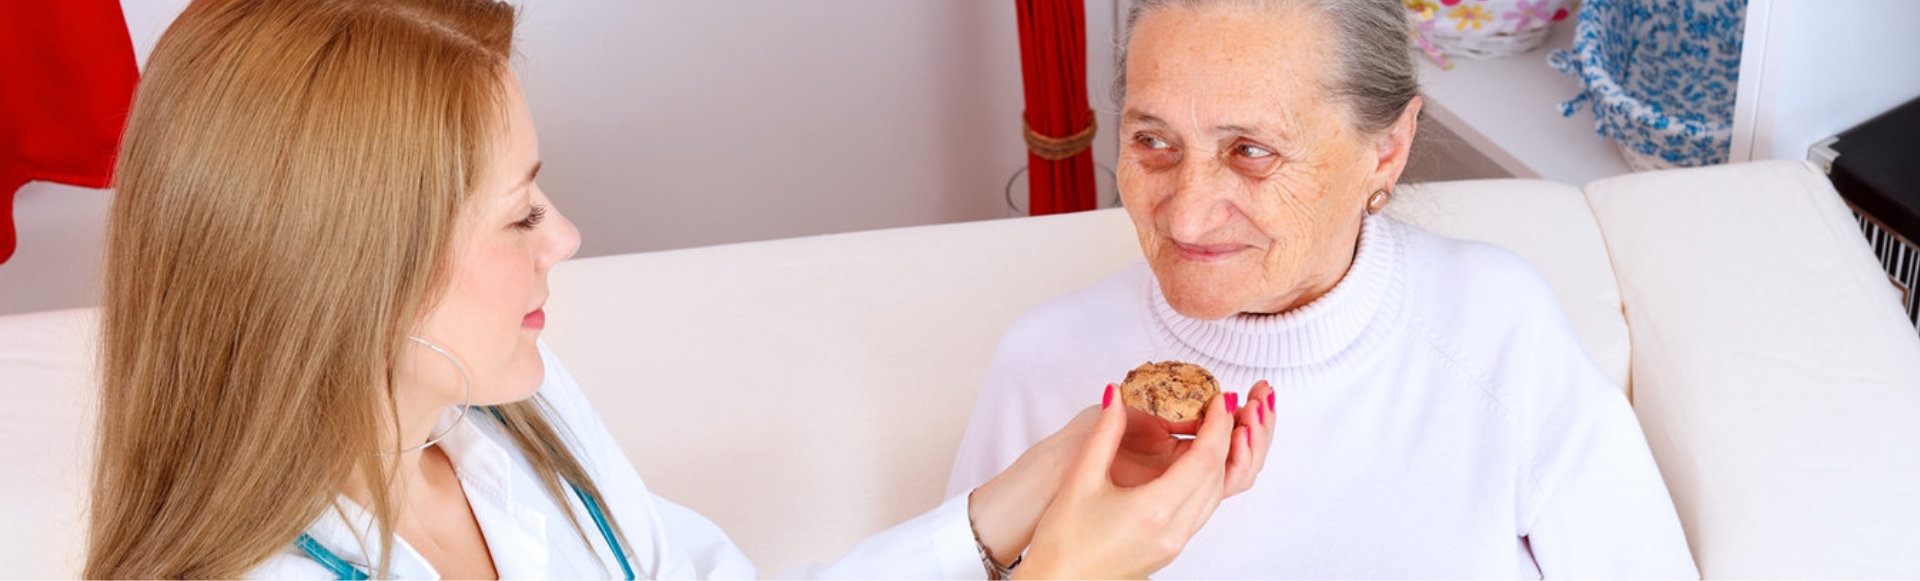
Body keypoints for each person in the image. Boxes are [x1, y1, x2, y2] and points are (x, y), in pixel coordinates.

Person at [83, 0, 1276, 578]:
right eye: (518, 214)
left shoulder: (507, 416)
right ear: (353, 280)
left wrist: (1007, 513)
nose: (567, 236)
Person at [947, 0, 1699, 578]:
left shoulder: (1497, 327)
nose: (1187, 210)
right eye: (1154, 141)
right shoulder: (1043, 366)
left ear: (1387, 150)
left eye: (1250, 151)